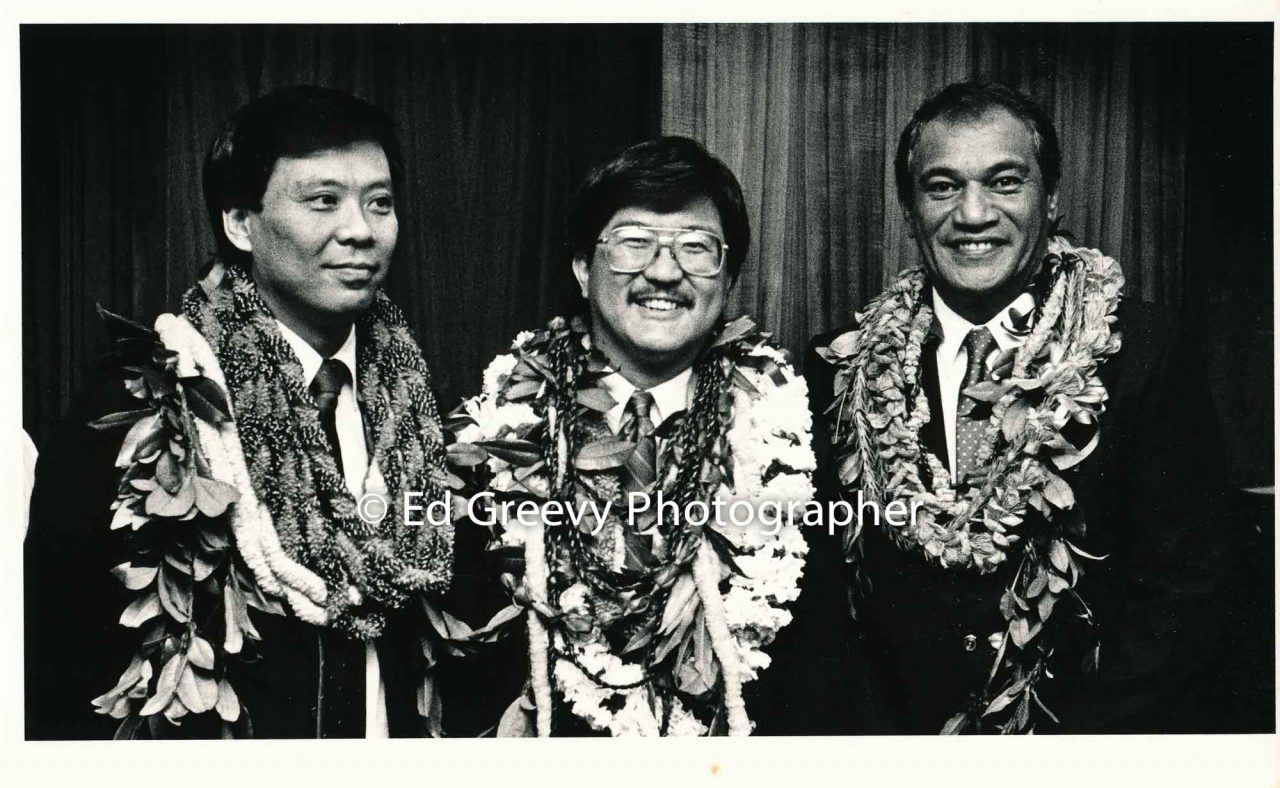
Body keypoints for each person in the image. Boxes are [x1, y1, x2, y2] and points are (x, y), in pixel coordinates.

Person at [804, 82, 1233, 734]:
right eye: (942, 187)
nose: (973, 214)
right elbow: (834, 605)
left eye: (1004, 182)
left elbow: (1186, 593)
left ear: (1052, 197)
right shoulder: (842, 364)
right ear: (909, 207)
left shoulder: (1143, 351)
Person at [25, 86, 453, 739]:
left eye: (380, 202)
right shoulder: (145, 405)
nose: (360, 229)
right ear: (239, 222)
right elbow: (58, 659)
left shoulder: (418, 409)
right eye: (322, 200)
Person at [437, 137, 815, 736]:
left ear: (729, 276)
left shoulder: (788, 430)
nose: (664, 273)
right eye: (634, 243)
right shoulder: (488, 437)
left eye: (695, 247)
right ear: (584, 268)